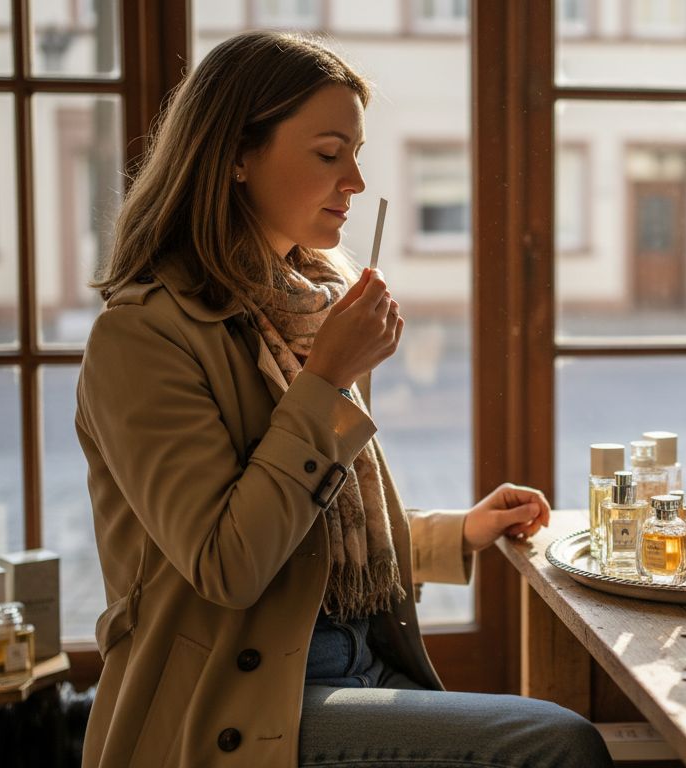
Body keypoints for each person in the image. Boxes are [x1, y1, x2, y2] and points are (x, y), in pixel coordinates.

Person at [75, 30, 612, 768]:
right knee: (556, 744)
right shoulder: (140, 339)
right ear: (234, 155)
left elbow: (320, 536)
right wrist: (326, 381)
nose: (355, 181)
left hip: (350, 668)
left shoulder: (304, 310)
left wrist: (455, 533)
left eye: (356, 154)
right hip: (237, 706)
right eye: (329, 154)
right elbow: (230, 564)